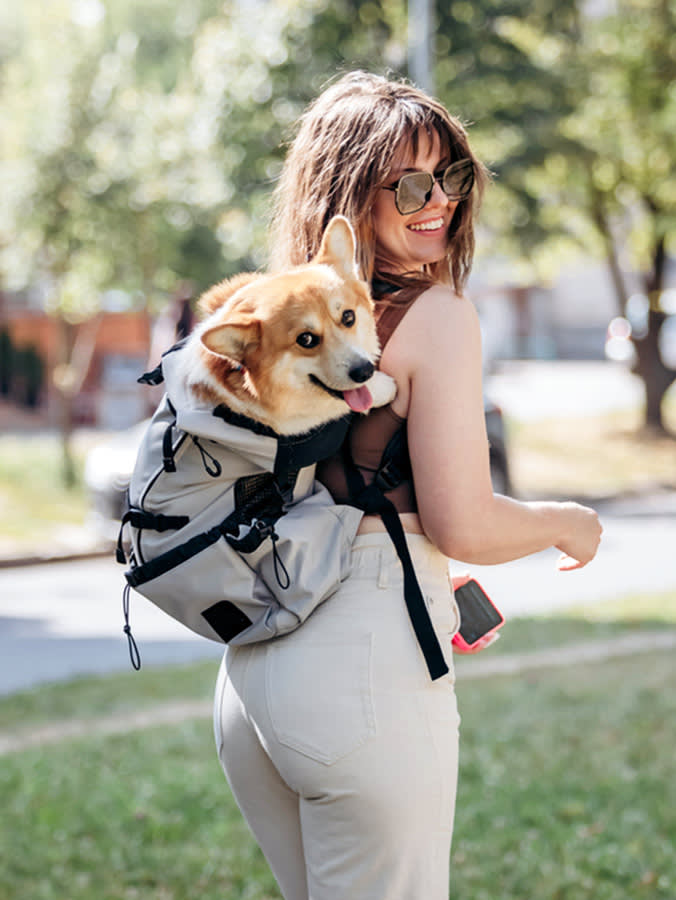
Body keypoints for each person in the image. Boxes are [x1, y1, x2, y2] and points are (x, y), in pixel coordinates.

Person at [212, 70, 602, 900]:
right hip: (361, 678)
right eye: (413, 184)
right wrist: (568, 524)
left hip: (253, 685)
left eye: (454, 176)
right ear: (352, 192)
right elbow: (466, 523)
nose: (442, 202)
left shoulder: (283, 320)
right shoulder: (438, 316)